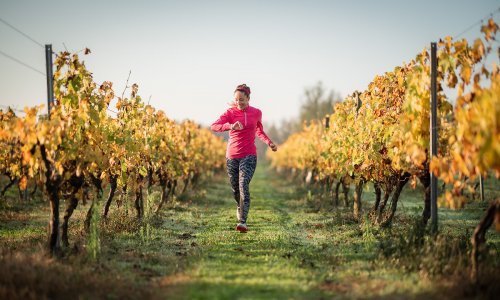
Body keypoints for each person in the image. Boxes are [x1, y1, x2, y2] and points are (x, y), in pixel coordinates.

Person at [211, 84, 277, 232]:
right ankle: (239, 205)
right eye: (236, 100)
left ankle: (243, 221)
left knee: (243, 186)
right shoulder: (230, 112)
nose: (239, 103)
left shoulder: (256, 113)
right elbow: (214, 126)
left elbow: (259, 131)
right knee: (235, 189)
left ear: (248, 98)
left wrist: (269, 143)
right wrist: (230, 126)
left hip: (249, 155)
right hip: (232, 156)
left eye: (242, 99)